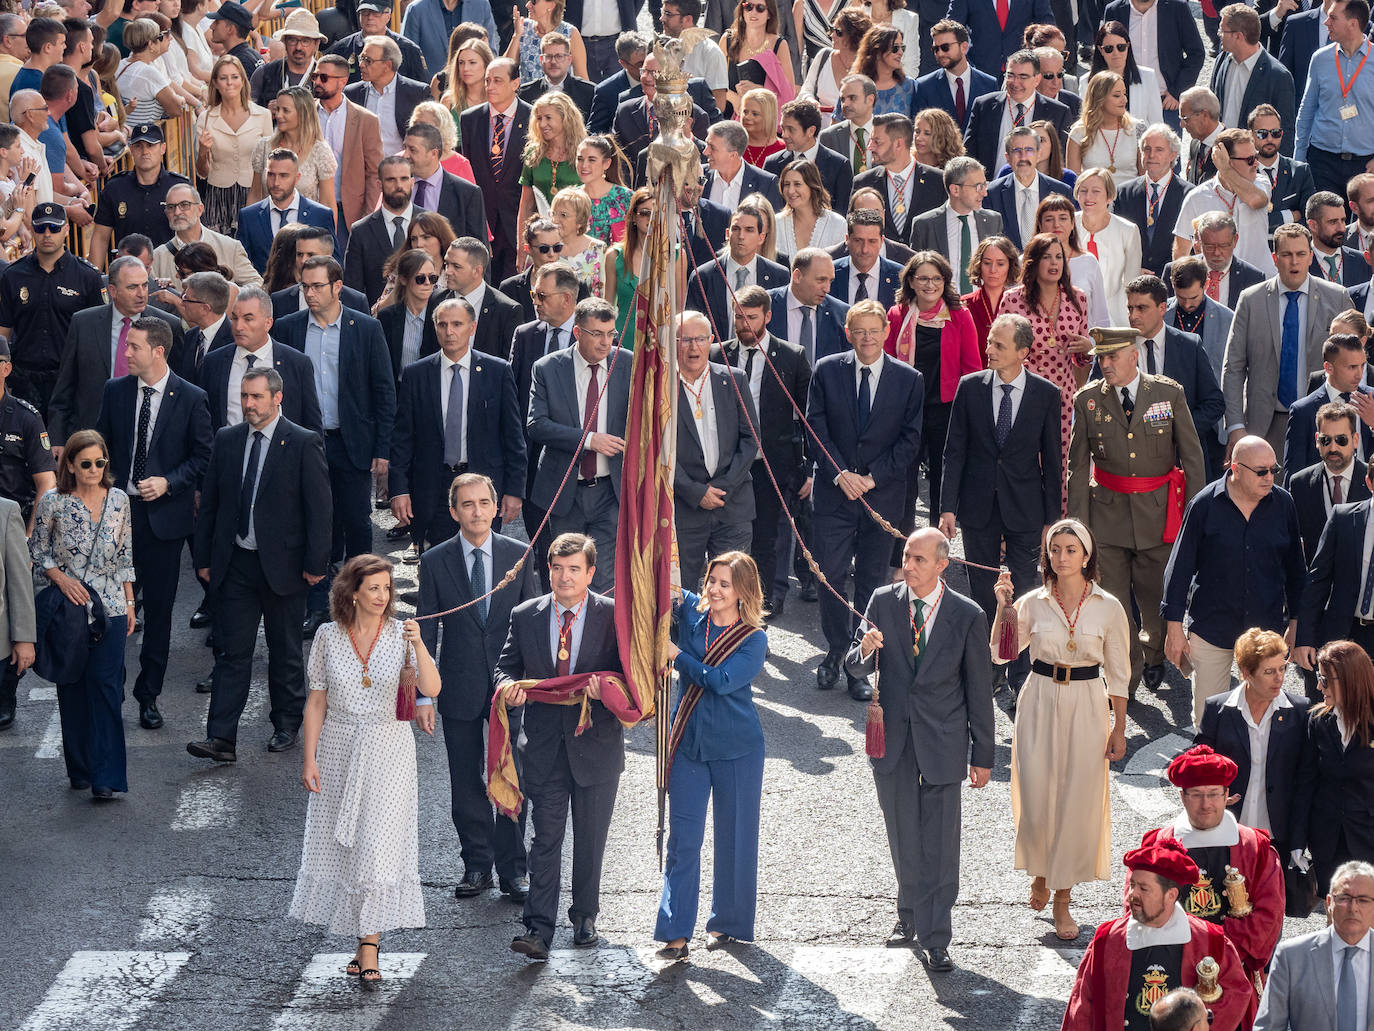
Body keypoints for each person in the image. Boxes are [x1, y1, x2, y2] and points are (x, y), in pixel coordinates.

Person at [289, 554, 440, 990]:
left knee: (377, 844)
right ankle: (362, 943)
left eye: (387, 588)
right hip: (337, 747)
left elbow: (430, 689)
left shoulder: (402, 633)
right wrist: (309, 758)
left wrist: (421, 644)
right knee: (346, 847)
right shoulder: (327, 636)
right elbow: (316, 699)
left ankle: (370, 946)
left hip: (389, 747)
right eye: (373, 588)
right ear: (352, 592)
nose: (382, 596)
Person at [845, 527, 993, 969]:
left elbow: (979, 691)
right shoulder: (880, 602)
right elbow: (856, 664)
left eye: (919, 560)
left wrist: (982, 756)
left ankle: (935, 935)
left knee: (940, 845)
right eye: (907, 557)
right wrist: (865, 650)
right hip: (892, 741)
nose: (908, 565)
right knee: (903, 835)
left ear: (942, 564)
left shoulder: (967, 614)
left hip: (944, 742)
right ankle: (907, 912)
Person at [991, 519, 1130, 939]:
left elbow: (1120, 673)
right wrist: (1004, 609)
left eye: (1071, 550)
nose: (1063, 557)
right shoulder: (1032, 602)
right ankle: (1040, 869)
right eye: (1056, 550)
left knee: (1076, 799)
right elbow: (1002, 655)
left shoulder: (1109, 606)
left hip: (1088, 700)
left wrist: (1119, 728)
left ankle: (1063, 897)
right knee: (1036, 794)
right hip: (1038, 698)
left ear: (1087, 556)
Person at [189, 366, 332, 762]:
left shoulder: (302, 442)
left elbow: (319, 508)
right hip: (236, 563)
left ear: (277, 397)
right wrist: (204, 559)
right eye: (244, 397)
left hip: (285, 566)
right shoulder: (228, 439)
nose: (248, 404)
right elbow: (212, 504)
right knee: (231, 651)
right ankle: (221, 738)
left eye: (256, 397)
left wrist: (315, 564)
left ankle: (286, 724)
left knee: (284, 648)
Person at [495, 532, 625, 961]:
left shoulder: (612, 615)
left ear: (591, 573)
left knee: (590, 837)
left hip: (597, 745)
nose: (564, 576)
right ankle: (537, 929)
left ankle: (585, 914)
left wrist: (606, 687)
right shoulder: (525, 614)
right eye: (557, 567)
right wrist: (508, 687)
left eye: (574, 569)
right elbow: (506, 667)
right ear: (546, 570)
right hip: (545, 746)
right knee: (545, 839)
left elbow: (631, 677)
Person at [417, 472, 539, 901]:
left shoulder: (520, 555)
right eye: (466, 505)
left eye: (483, 503)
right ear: (454, 512)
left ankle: (513, 871)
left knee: (512, 775)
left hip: (511, 689)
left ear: (495, 507)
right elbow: (426, 629)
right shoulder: (434, 561)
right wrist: (423, 694)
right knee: (464, 778)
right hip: (460, 686)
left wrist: (538, 686)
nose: (476, 511)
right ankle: (476, 865)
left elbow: (536, 623)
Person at [1070, 329, 1206, 698]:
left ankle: (1153, 652)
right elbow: (1078, 468)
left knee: (1155, 599)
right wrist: (1078, 530)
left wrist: (1196, 518)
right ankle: (1124, 676)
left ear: (1134, 356)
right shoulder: (1088, 401)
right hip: (1107, 519)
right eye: (1102, 358)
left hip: (1159, 517)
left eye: (1113, 357)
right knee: (1113, 603)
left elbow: (1192, 459)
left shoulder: (1167, 393)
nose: (1106, 365)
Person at [93, 316, 211, 730]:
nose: (126, 353)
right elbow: (101, 446)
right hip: (116, 518)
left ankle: (149, 695)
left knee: (158, 612)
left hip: (163, 520)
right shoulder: (116, 391)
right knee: (110, 608)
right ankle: (110, 688)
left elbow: (203, 457)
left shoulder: (191, 397)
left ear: (158, 352)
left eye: (134, 348)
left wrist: (169, 482)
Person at [654, 551, 769, 961]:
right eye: (712, 581)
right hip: (687, 744)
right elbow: (665, 575)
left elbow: (720, 681)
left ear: (743, 591)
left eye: (725, 583)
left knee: (735, 837)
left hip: (738, 748)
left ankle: (729, 923)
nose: (715, 589)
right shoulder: (690, 612)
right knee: (683, 841)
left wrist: (677, 656)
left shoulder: (754, 638)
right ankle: (675, 932)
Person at [273, 257, 396, 636]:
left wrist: (382, 449)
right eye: (304, 287)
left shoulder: (366, 329)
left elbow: (383, 390)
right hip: (304, 444)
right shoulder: (289, 328)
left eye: (316, 286)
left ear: (337, 287)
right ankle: (318, 606)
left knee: (357, 523)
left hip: (350, 441)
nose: (309, 293)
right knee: (313, 526)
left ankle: (363, 601)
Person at [941, 313, 1062, 693]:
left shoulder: (1045, 394)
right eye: (989, 341)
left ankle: (1020, 669)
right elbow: (954, 451)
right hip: (978, 508)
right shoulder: (970, 387)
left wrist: (1051, 520)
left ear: (1023, 352)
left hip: (1025, 508)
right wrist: (946, 507)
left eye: (998, 345)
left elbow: (1053, 460)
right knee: (981, 586)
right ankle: (989, 663)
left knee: (1025, 590)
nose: (988, 349)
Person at [809, 299, 924, 700]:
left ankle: (859, 664)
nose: (867, 338)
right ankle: (837, 647)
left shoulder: (909, 379)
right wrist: (841, 474)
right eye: (859, 331)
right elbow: (815, 427)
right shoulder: (826, 370)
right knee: (830, 574)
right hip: (834, 494)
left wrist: (871, 478)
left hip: (882, 496)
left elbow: (911, 441)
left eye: (874, 330)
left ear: (886, 333)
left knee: (873, 583)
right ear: (848, 333)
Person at [1163, 436, 1306, 725]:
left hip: (1265, 629)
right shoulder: (1204, 504)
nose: (1269, 478)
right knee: (1207, 717)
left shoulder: (1284, 504)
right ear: (1236, 469)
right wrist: (1174, 627)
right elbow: (1179, 567)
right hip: (1212, 628)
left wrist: (1296, 621)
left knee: (1266, 714)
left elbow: (1295, 569)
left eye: (1273, 470)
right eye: (1261, 471)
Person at [31, 429, 135, 799]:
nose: (94, 469)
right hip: (69, 610)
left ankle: (105, 778)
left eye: (100, 462)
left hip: (110, 608)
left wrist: (130, 603)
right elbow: (38, 554)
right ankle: (80, 768)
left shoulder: (120, 501)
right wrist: (60, 580)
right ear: (70, 465)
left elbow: (125, 557)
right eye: (86, 463)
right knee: (72, 687)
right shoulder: (53, 503)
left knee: (107, 689)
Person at [1060, 840, 1255, 1031]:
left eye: (1144, 888)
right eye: (1132, 885)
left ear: (1170, 895)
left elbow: (1236, 995)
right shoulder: (1107, 939)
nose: (1133, 894)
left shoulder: (1209, 939)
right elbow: (1081, 1007)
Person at [1136, 744, 1286, 990]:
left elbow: (1268, 918)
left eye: (1214, 794)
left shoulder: (1255, 848)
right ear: (1182, 796)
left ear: (1227, 795)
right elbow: (1139, 911)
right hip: (1172, 969)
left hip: (1234, 968)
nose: (1206, 804)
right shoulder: (1157, 846)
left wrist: (1215, 951)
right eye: (1196, 794)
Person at [389, 295, 525, 556]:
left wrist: (514, 491)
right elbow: (402, 438)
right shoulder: (417, 374)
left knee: (482, 558)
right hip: (433, 485)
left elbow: (513, 435)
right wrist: (399, 489)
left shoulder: (497, 372)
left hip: (483, 485)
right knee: (439, 560)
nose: (449, 332)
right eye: (442, 325)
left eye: (457, 324)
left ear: (472, 327)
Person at [711, 285, 810, 615]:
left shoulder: (792, 357)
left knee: (767, 536)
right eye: (739, 317)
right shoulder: (716, 354)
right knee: (727, 538)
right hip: (727, 463)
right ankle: (726, 604)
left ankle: (763, 605)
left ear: (767, 316)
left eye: (751, 317)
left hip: (771, 463)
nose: (744, 324)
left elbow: (807, 417)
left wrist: (806, 469)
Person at [1222, 224, 1352, 460]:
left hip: (1324, 422)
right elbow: (1233, 367)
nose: (1294, 262)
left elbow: (1354, 362)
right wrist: (1235, 426)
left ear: (1311, 257)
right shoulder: (1251, 300)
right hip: (1265, 424)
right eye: (1287, 255)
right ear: (1275, 258)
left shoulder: (1337, 297)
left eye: (1301, 254)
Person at [526, 298, 628, 593]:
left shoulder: (627, 364)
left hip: (611, 490)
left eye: (611, 334)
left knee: (604, 579)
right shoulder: (547, 368)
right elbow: (536, 425)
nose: (605, 342)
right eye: (597, 333)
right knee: (566, 576)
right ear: (578, 333)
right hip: (565, 491)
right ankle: (563, 638)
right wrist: (588, 440)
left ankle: (598, 638)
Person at [1196, 628, 1311, 864]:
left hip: (1279, 835)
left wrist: (1299, 841)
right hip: (1228, 830)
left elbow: (1306, 781)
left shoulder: (1300, 711)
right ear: (1247, 672)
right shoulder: (1216, 710)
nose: (1279, 678)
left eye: (1282, 668)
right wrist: (1214, 795)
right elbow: (1199, 766)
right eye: (1269, 671)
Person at [48, 255, 185, 448]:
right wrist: (58, 440)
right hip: (91, 439)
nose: (141, 294)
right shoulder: (83, 323)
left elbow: (180, 388)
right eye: (132, 287)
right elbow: (64, 387)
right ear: (113, 290)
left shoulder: (169, 325)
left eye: (145, 285)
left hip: (147, 440)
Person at [883, 250, 980, 523]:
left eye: (936, 278)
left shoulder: (959, 316)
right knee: (904, 477)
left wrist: (969, 413)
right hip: (906, 410)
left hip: (946, 409)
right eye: (923, 278)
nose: (930, 285)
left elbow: (972, 368)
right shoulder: (897, 314)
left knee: (942, 477)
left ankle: (937, 544)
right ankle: (901, 543)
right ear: (911, 282)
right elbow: (887, 364)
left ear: (945, 280)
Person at [999, 232, 1093, 501]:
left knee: (1061, 464)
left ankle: (1056, 529)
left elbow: (1082, 357)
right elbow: (998, 347)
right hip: (1022, 394)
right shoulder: (1013, 300)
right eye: (1046, 257)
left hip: (1063, 396)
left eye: (1059, 257)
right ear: (1033, 262)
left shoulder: (1078, 298)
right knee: (1023, 461)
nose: (1054, 263)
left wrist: (1086, 349)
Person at [673, 311, 759, 593]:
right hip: (684, 508)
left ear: (711, 340)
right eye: (685, 339)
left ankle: (731, 639)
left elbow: (750, 439)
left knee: (733, 589)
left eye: (700, 339)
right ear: (673, 342)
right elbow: (656, 452)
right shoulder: (661, 388)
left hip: (732, 504)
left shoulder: (734, 379)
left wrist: (720, 488)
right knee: (683, 592)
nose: (693, 347)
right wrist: (695, 492)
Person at [0, 202, 105, 416]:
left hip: (70, 380)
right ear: (32, 230)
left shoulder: (88, 277)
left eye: (54, 228)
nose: (47, 234)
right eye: (40, 228)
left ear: (66, 230)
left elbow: (100, 335)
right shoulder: (12, 276)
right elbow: (3, 332)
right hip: (24, 380)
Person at [1115, 274, 1225, 476]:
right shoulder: (1116, 348)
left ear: (1162, 308)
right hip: (1129, 466)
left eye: (1142, 308)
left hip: (1180, 464)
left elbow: (1214, 403)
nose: (1133, 316)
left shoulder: (1190, 346)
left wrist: (1176, 431)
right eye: (1130, 308)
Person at [1254, 859, 1374, 1028]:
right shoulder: (1291, 956)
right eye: (1344, 898)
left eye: (1363, 899)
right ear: (1329, 902)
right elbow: (1269, 1025)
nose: (1353, 908)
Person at [200, 286, 322, 436]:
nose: (239, 327)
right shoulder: (213, 362)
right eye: (235, 318)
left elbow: (312, 425)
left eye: (248, 319)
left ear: (268, 323)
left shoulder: (296, 364)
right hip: (229, 456)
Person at [460, 56, 532, 282]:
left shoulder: (533, 117)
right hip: (483, 221)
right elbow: (468, 171)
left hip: (516, 220)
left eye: (498, 81)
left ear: (515, 83)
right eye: (488, 80)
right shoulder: (470, 118)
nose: (490, 86)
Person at [1294, 0, 1374, 194]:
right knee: (1324, 222)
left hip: (1365, 166)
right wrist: (1298, 159)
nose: (1326, 22)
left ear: (1352, 24)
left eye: (1333, 17)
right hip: (1322, 162)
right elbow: (1306, 109)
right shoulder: (1320, 59)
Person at [87, 123, 187, 268]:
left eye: (151, 145)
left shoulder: (179, 187)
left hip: (171, 271)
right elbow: (101, 238)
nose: (145, 151)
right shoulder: (115, 188)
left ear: (163, 148)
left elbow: (192, 235)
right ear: (131, 149)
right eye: (139, 146)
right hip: (128, 272)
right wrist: (94, 281)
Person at [687, 201, 790, 341]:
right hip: (717, 357)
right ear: (727, 234)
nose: (741, 236)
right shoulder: (703, 277)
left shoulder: (779, 276)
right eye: (736, 229)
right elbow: (693, 326)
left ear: (761, 237)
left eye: (749, 230)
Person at [312, 53, 383, 253]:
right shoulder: (304, 114)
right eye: (315, 76)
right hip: (309, 207)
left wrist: (367, 219)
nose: (317, 81)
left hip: (347, 213)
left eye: (324, 78)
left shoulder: (366, 119)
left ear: (342, 81)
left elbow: (375, 173)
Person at [195, 56, 273, 237]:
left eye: (234, 77)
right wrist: (203, 151)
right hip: (217, 196)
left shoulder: (263, 115)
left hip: (254, 192)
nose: (229, 83)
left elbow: (269, 162)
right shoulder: (205, 118)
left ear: (243, 80)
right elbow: (202, 172)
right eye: (223, 78)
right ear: (215, 82)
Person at [961, 51, 1072, 177]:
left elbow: (1060, 160)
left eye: (1023, 77)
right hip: (991, 190)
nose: (1015, 82)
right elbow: (968, 154)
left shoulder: (1058, 113)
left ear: (1037, 79)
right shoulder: (984, 106)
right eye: (1011, 75)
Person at [237, 149, 339, 275]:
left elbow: (334, 263)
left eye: (283, 176)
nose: (276, 183)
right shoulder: (248, 216)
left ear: (297, 178)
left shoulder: (321, 215)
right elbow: (240, 265)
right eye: (271, 175)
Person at [907, 157, 1001, 292]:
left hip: (981, 306)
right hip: (941, 307)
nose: (984, 193)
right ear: (955, 190)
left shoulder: (993, 221)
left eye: (985, 185)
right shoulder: (924, 225)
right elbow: (915, 274)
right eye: (978, 187)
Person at [1285, 334, 1374, 477]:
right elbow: (1294, 475)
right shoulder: (1303, 411)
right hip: (1323, 495)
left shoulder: (1371, 399)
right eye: (1352, 367)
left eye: (1362, 365)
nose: (1359, 374)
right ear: (1328, 368)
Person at [851, 113, 944, 246]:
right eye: (871, 140)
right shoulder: (863, 182)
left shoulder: (938, 181)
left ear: (898, 144)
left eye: (877, 141)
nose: (870, 147)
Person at [150, 183, 261, 290]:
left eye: (184, 205)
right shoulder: (157, 258)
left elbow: (256, 284)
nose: (177, 212)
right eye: (171, 207)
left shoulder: (230, 247)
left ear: (200, 209)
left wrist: (229, 296)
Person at [981, 126, 1074, 250]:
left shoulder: (1062, 191)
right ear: (1008, 157)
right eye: (1016, 150)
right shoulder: (991, 194)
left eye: (1029, 150)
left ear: (1038, 154)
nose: (1023, 157)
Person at [1116, 125, 1192, 277]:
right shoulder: (1124, 193)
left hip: (1171, 281)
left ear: (1172, 155)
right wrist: (1132, 270)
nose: (1151, 155)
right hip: (1133, 278)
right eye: (1146, 149)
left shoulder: (1189, 194)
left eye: (1159, 150)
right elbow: (1117, 240)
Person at [345, 157, 419, 309]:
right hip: (379, 322)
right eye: (391, 180)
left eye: (404, 179)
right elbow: (353, 289)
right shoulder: (360, 231)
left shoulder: (431, 223)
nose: (399, 185)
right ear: (379, 185)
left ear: (412, 182)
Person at [249, 87, 337, 215]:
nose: (278, 115)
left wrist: (328, 235)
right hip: (268, 227)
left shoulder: (320, 150)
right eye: (278, 109)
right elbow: (255, 195)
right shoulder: (263, 146)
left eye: (286, 110)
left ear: (303, 114)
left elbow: (328, 203)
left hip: (306, 230)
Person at [343, 34, 430, 161]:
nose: (361, 65)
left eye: (368, 60)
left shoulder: (417, 93)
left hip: (403, 171)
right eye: (361, 58)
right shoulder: (351, 93)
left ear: (388, 65)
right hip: (363, 171)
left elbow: (427, 137)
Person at [1074, 168, 1142, 327]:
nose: (1088, 197)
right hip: (1071, 314)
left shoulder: (1128, 230)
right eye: (1083, 191)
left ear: (1109, 196)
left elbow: (1132, 282)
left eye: (1095, 191)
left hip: (1114, 316)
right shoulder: (1067, 225)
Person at [764, 97, 855, 214]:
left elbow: (842, 212)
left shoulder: (839, 165)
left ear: (811, 131)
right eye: (783, 129)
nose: (784, 135)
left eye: (791, 130)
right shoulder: (772, 163)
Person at [911, 19, 998, 131]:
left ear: (964, 47)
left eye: (945, 47)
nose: (940, 53)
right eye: (935, 49)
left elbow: (992, 129)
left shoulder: (989, 84)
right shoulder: (924, 86)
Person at [1066, 72, 1143, 191]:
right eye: (1117, 95)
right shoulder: (1079, 132)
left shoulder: (1137, 129)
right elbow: (1074, 182)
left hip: (1130, 201)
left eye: (1124, 94)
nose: (1124, 100)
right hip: (1093, 201)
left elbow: (1145, 179)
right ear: (1099, 99)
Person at [719, 0, 795, 118]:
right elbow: (715, 81)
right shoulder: (727, 39)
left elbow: (789, 91)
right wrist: (735, 99)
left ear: (769, 13)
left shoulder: (779, 44)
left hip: (765, 119)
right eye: (748, 6)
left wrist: (758, 90)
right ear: (742, 10)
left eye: (760, 8)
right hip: (730, 116)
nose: (753, 12)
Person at [329, 0, 427, 86]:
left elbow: (421, 90)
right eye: (365, 12)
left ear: (388, 16)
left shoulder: (408, 49)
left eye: (376, 13)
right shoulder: (342, 50)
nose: (370, 17)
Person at [799, 9, 870, 121]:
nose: (832, 35)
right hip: (819, 133)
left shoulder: (868, 66)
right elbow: (806, 90)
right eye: (832, 29)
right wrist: (810, 101)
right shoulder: (824, 56)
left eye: (838, 32)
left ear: (854, 36)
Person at [115, 18, 184, 127]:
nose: (165, 39)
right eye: (160, 37)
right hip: (143, 139)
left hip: (126, 135)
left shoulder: (119, 65)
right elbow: (176, 109)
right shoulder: (149, 73)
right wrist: (182, 100)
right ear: (151, 44)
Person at [832, 209, 903, 310]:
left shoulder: (900, 277)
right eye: (858, 241)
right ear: (847, 240)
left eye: (872, 241)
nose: (865, 249)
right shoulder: (830, 274)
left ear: (882, 241)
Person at [250, 8, 324, 104]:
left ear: (316, 44)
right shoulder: (264, 74)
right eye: (292, 40)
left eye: (305, 41)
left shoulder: (325, 77)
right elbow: (248, 113)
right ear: (284, 41)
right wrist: (266, 112)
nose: (298, 47)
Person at [776, 158, 846, 258]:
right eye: (787, 184)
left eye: (797, 184)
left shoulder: (838, 224)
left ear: (812, 186)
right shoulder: (776, 223)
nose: (791, 191)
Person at [962, 236, 1018, 355]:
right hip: (974, 372)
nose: (993, 270)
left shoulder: (1020, 303)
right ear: (979, 265)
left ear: (1010, 266)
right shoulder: (963, 304)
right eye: (987, 263)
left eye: (1000, 264)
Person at [517, 31, 595, 115]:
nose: (553, 61)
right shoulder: (525, 93)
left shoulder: (588, 92)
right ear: (541, 60)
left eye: (559, 56)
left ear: (569, 60)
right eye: (548, 56)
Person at [207, 1, 262, 77]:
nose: (211, 26)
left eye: (217, 22)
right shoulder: (252, 55)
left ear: (230, 29)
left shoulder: (238, 63)